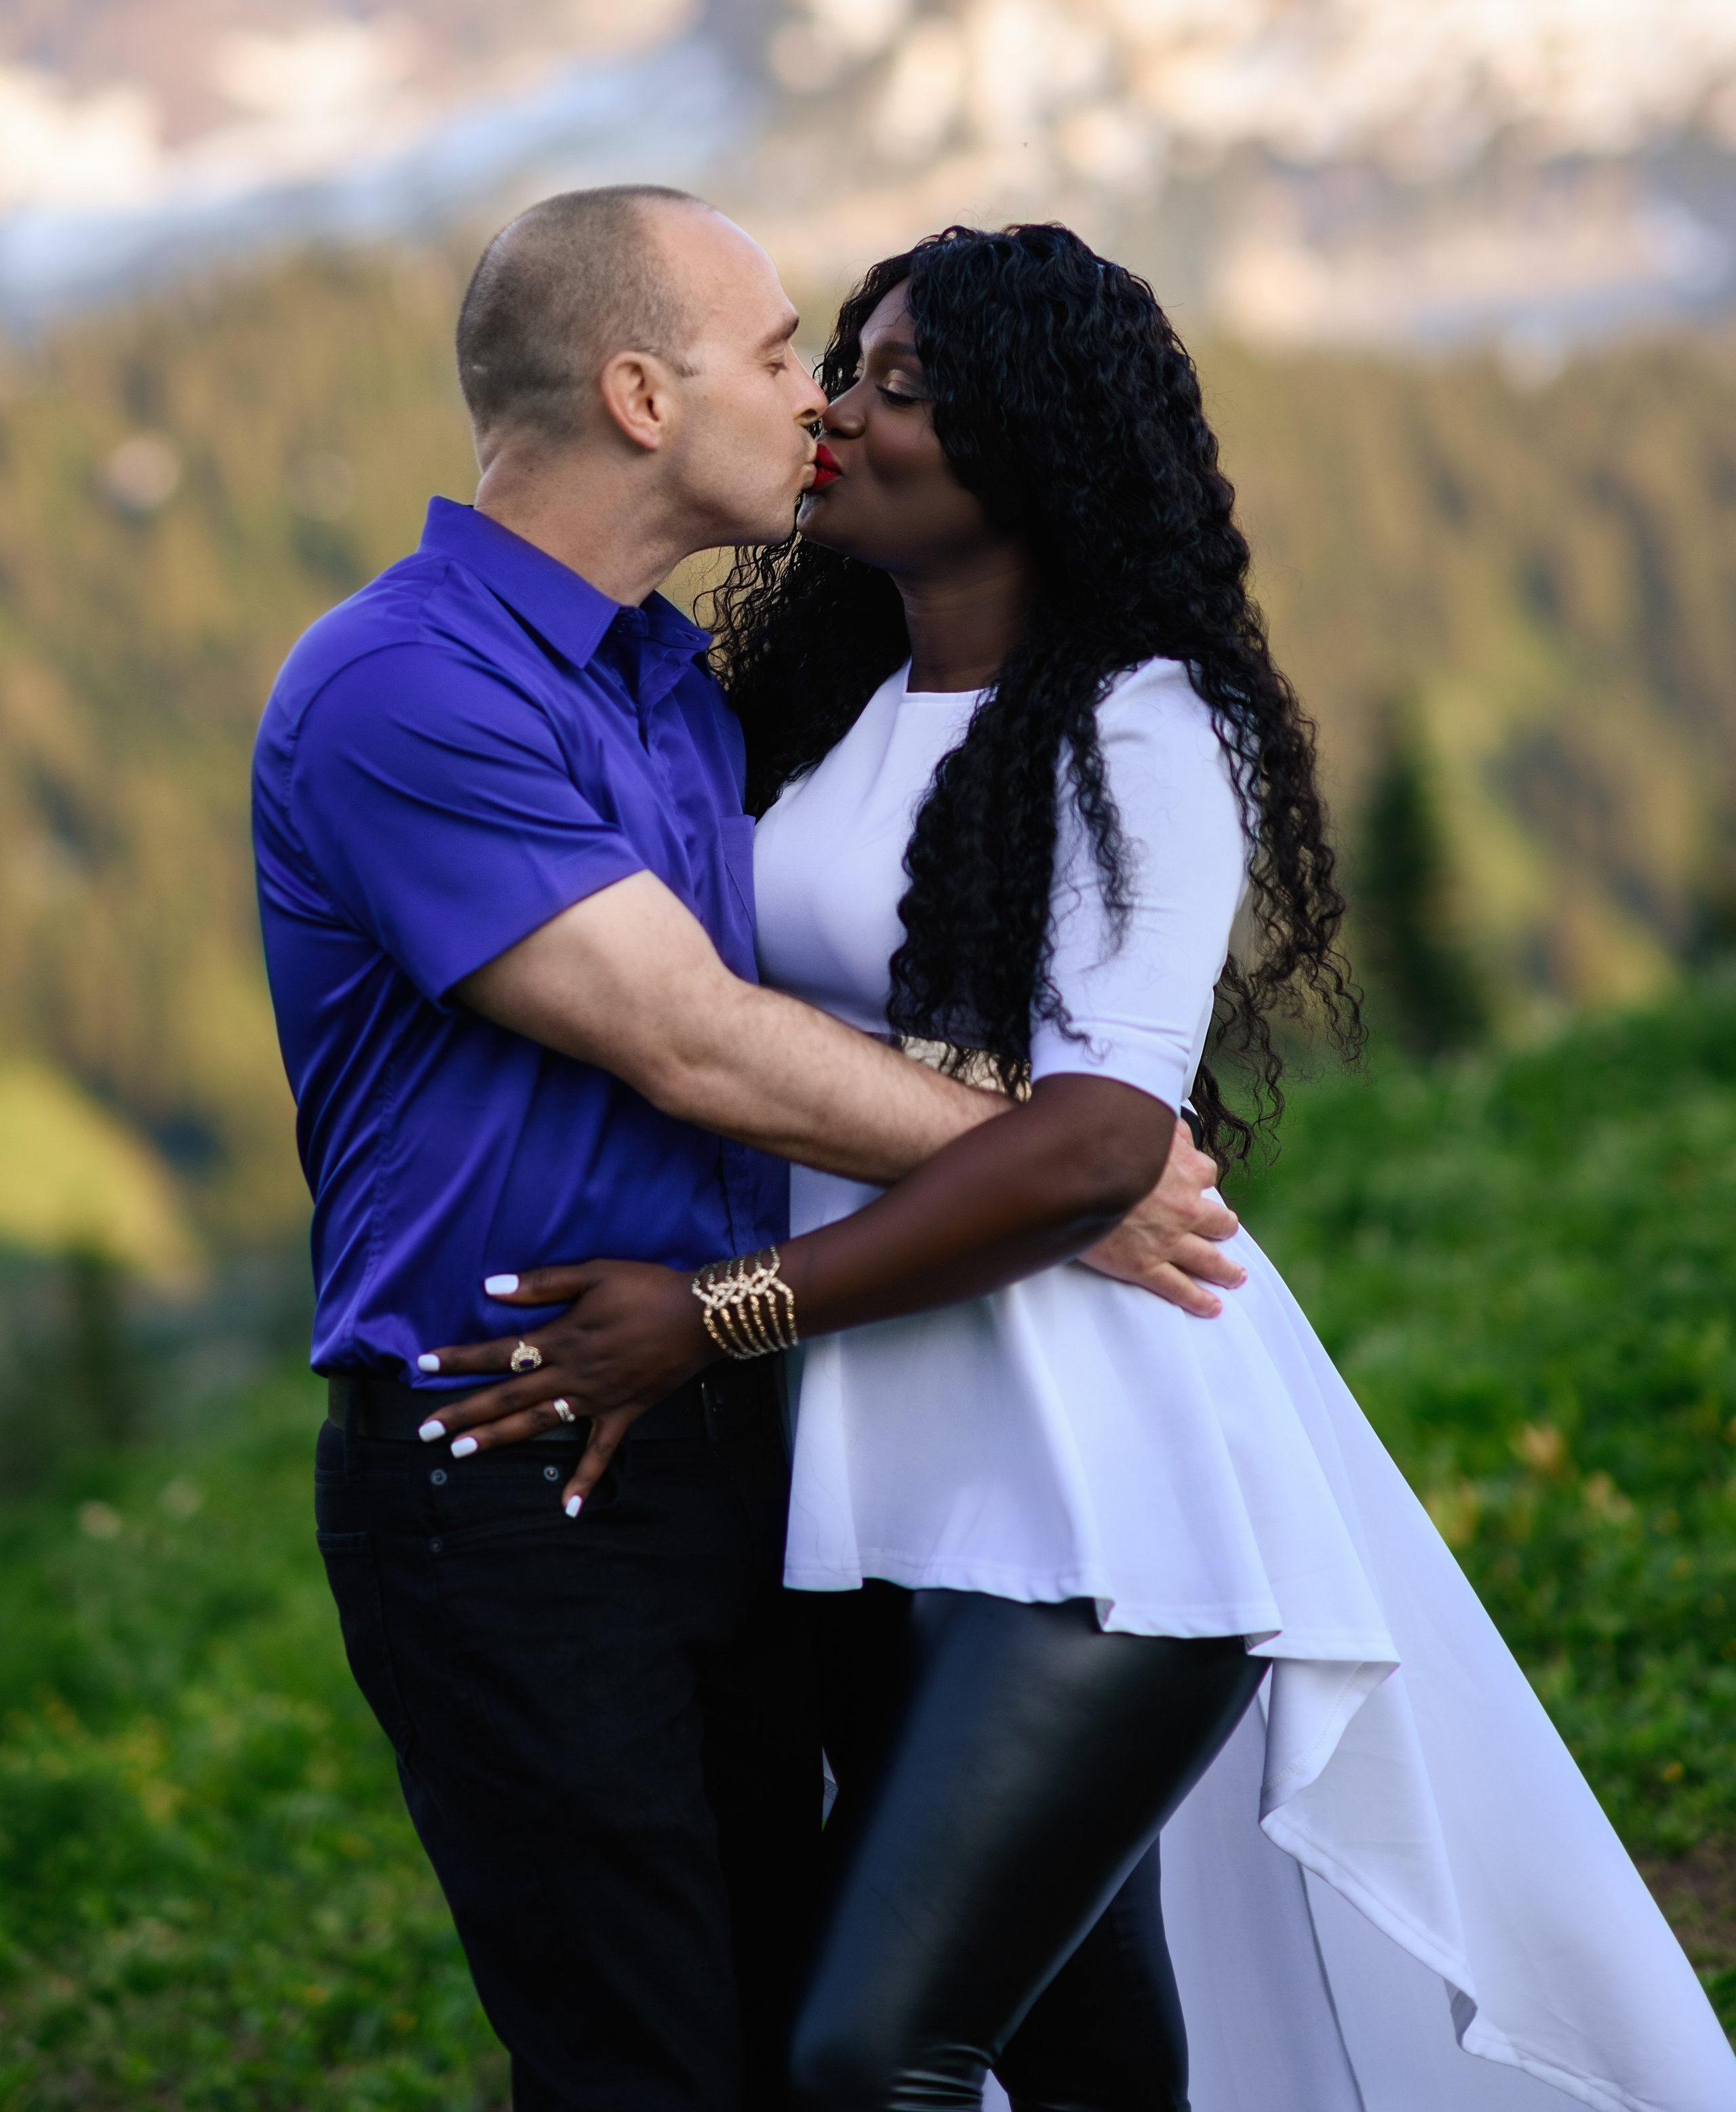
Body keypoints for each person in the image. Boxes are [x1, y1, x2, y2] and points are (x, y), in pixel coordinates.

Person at [495, 225, 1736, 2112]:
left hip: (1098, 1492)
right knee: (1094, 2051)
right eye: (844, 363)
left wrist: (720, 1315)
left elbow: (1097, 1142)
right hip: (878, 1479)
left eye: (901, 387)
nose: (839, 412)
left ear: (1032, 446)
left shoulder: (1146, 723)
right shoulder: (819, 716)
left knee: (869, 2052)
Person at [252, 186, 1242, 2112]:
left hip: (754, 1447)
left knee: (828, 2036)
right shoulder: (406, 684)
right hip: (515, 1454)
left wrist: (1051, 1165)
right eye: (791, 354)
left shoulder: (674, 692)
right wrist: (1069, 1169)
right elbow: (689, 1034)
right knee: (652, 2065)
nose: (818, 401)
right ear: (639, 390)